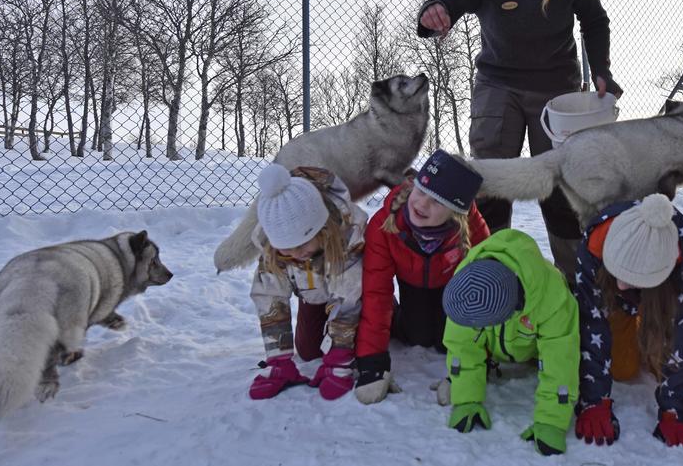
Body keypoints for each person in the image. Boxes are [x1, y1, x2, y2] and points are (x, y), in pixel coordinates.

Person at [417, 0, 623, 281]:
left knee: (562, 183)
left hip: (558, 89)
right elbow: (449, 0)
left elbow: (595, 20)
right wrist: (435, 11)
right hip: (499, 86)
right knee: (490, 180)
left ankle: (580, 281)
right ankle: (489, 278)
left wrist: (601, 70)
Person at [354, 150, 490, 404]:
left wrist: (470, 369)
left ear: (455, 212)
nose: (421, 204)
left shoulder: (472, 228)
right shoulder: (385, 223)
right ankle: (399, 316)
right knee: (417, 335)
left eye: (437, 202)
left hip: (455, 292)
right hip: (412, 286)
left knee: (444, 342)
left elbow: (485, 298)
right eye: (420, 192)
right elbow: (376, 292)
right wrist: (372, 362)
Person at [573, 193, 683, 448]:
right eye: (619, 272)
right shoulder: (595, 242)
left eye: (632, 277)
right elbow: (591, 319)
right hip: (615, 303)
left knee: (663, 362)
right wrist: (594, 399)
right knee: (622, 369)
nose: (623, 283)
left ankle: (650, 332)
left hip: (661, 300)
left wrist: (676, 408)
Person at [441, 229, 579, 456]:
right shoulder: (467, 289)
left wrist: (552, 421)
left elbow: (560, 360)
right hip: (496, 347)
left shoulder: (553, 298)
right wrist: (466, 399)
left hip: (533, 350)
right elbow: (462, 345)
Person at [247, 164, 368, 401]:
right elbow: (269, 297)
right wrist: (278, 359)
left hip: (354, 296)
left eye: (302, 244)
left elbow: (348, 297)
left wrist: (339, 356)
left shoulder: (346, 236)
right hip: (313, 294)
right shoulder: (275, 247)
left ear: (322, 230)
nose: (295, 253)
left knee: (359, 343)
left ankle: (388, 320)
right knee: (309, 350)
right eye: (286, 247)